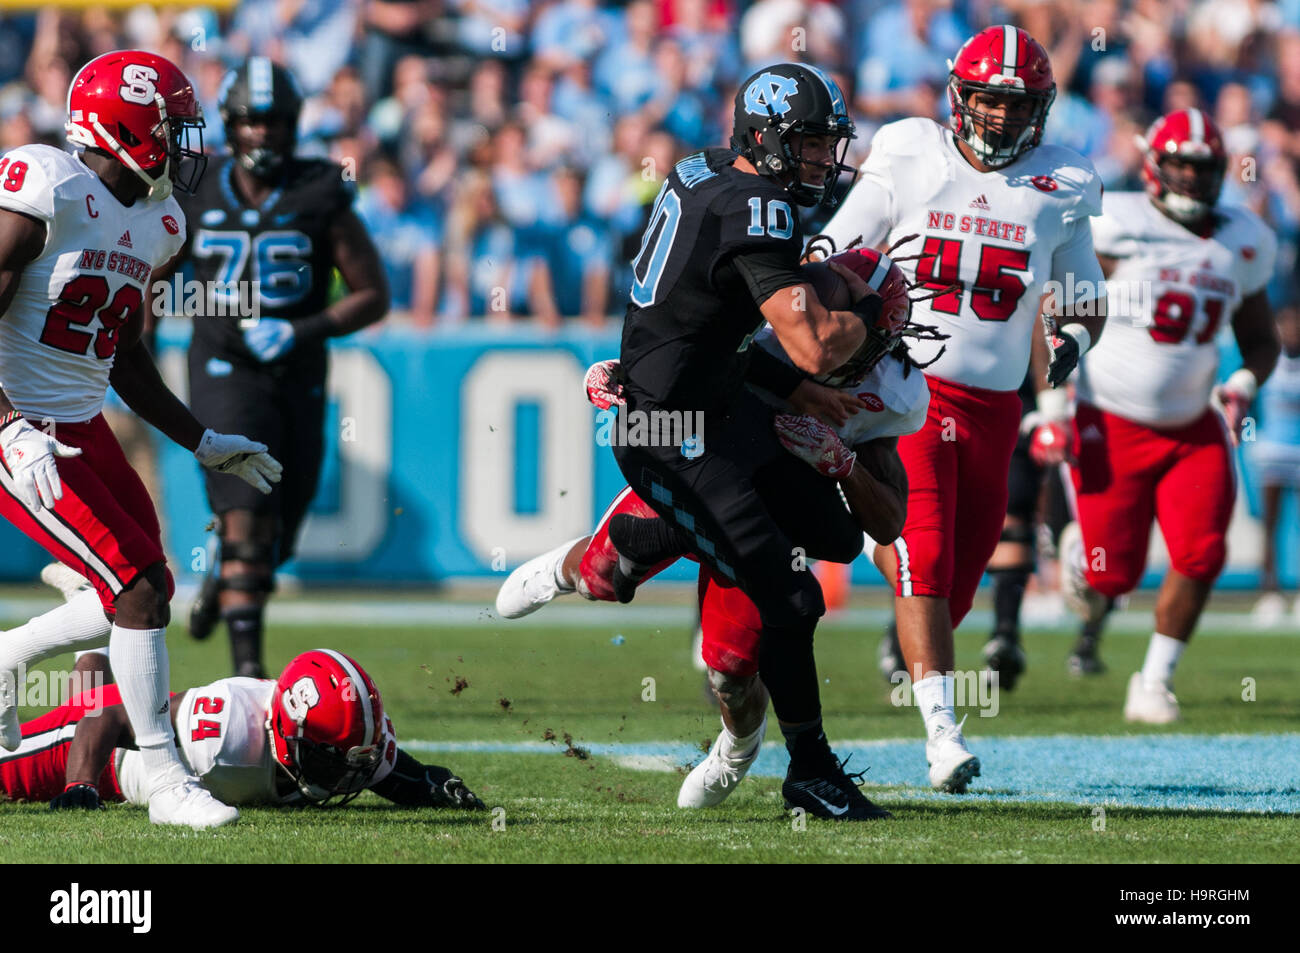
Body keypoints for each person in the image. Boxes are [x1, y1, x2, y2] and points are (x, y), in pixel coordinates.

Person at [498, 245, 942, 810]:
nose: (829, 343)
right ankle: (566, 568)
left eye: (849, 331)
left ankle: (738, 743)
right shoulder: (757, 327)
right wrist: (627, 382)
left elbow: (888, 523)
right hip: (703, 464)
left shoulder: (893, 392)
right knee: (602, 577)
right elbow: (671, 345)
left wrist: (844, 465)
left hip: (775, 516)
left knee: (732, 669)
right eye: (823, 323)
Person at [0, 50, 283, 829]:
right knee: (136, 591)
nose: (186, 144)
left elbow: (125, 356)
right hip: (15, 422)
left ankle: (8, 655)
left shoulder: (160, 225)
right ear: (125, 126)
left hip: (81, 424)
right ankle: (162, 776)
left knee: (143, 583)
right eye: (173, 126)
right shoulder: (46, 186)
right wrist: (9, 427)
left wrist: (204, 439)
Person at [821, 25, 1108, 792]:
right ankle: (942, 735)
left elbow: (1084, 292)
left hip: (995, 407)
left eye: (1020, 106)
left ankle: (870, 525)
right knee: (930, 552)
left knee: (958, 582)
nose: (1003, 119)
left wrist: (1074, 337)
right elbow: (836, 250)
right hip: (905, 385)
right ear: (959, 96)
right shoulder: (911, 152)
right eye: (989, 100)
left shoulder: (1065, 181)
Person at [1053, 109, 1279, 723]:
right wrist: (1052, 401)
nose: (1191, 178)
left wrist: (1241, 382)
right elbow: (1058, 302)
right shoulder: (1114, 222)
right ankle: (1081, 553)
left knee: (1202, 553)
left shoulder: (1245, 237)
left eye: (1203, 168)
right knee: (1111, 577)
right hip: (1110, 418)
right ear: (1155, 164)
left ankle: (1153, 680)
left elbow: (1261, 338)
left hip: (1194, 423)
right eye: (1180, 164)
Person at [182, 58, 390, 679]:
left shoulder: (320, 188)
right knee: (248, 515)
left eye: (275, 121)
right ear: (230, 124)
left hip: (297, 370)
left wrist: (300, 329)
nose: (263, 133)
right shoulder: (196, 185)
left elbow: (371, 293)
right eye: (251, 120)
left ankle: (226, 575)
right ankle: (249, 677)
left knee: (280, 536)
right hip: (222, 367)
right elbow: (151, 275)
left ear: (295, 124)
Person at [1, 639, 484, 813]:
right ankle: (85, 632)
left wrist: (439, 786)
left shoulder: (344, 732)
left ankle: (97, 639)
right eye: (327, 758)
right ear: (285, 730)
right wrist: (83, 783)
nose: (343, 776)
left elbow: (398, 776)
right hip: (113, 754)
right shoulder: (226, 732)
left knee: (92, 693)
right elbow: (106, 714)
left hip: (126, 715)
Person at [1249, 307, 1300, 623]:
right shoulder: (1268, 365)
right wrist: (1253, 442)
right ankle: (1270, 592)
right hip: (1270, 455)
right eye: (1286, 326)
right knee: (1269, 525)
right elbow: (1248, 410)